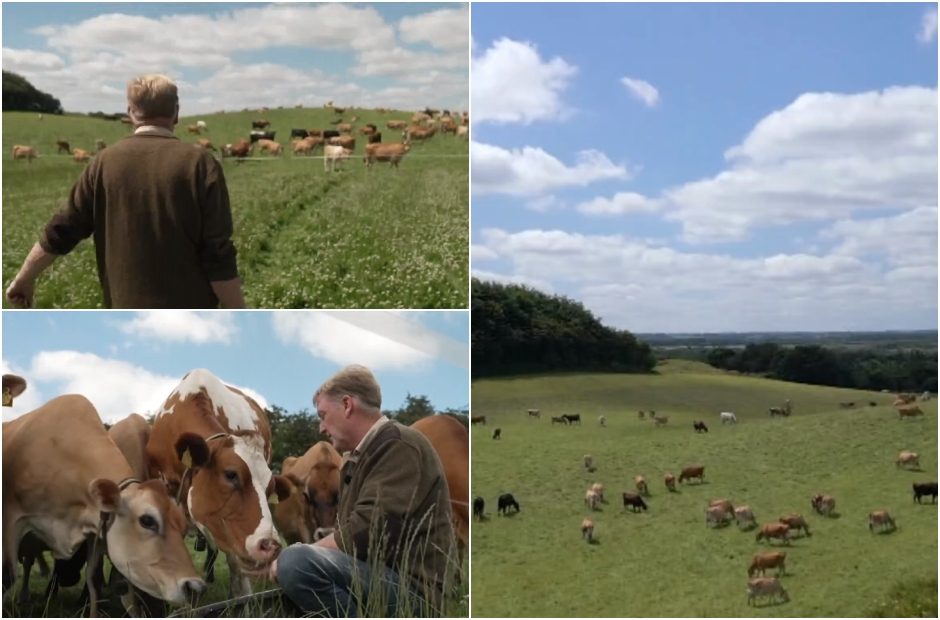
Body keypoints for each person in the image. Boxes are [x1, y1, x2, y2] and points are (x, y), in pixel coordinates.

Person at [5, 74, 245, 309]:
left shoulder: (103, 161)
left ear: (130, 112)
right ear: (177, 112)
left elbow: (63, 228)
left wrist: (24, 278)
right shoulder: (201, 163)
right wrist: (239, 311)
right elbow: (218, 252)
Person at [270, 365, 456, 617]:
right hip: (380, 578)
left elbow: (369, 530)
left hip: (416, 593)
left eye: (323, 415)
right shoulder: (358, 458)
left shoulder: (398, 444)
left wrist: (299, 556)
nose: (321, 428)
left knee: (295, 563)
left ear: (347, 405)